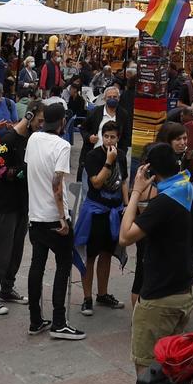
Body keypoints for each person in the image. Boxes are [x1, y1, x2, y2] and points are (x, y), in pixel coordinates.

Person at [109, 141, 193, 384]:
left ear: (150, 171)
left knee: (146, 373)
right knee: (172, 369)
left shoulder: (164, 203)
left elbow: (125, 236)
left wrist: (134, 193)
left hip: (158, 297)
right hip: (184, 292)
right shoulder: (188, 188)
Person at [23, 99, 80, 339]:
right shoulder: (62, 145)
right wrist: (62, 219)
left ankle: (35, 319)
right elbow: (57, 185)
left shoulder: (33, 139)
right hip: (54, 218)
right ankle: (59, 321)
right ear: (63, 122)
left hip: (35, 215)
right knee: (63, 266)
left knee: (37, 265)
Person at [0, 100, 34, 314]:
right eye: (39, 121)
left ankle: (7, 288)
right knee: (1, 251)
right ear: (30, 118)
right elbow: (0, 171)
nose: (42, 125)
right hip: (5, 203)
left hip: (23, 203)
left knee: (17, 248)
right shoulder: (7, 139)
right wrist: (25, 170)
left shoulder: (31, 140)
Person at [76, 119, 127, 314]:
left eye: (112, 137)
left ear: (118, 138)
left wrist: (126, 204)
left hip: (114, 211)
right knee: (90, 255)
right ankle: (87, 297)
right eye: (106, 137)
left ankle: (103, 294)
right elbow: (96, 183)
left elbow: (123, 180)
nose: (109, 141)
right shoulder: (93, 155)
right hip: (96, 211)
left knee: (107, 254)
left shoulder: (121, 155)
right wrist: (108, 162)